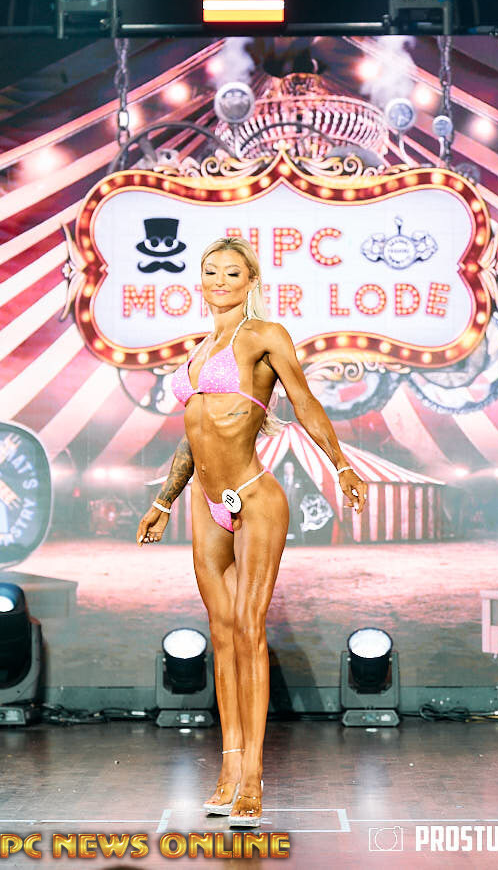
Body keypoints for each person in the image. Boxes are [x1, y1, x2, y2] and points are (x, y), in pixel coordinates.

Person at [136, 236, 367, 828]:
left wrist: (341, 465)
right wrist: (163, 501)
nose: (218, 281)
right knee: (221, 635)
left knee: (248, 629)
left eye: (231, 273)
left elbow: (305, 401)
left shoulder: (265, 336)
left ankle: (254, 778)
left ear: (250, 281)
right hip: (204, 502)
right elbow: (193, 435)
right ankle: (229, 769)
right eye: (210, 272)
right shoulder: (198, 350)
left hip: (255, 498)